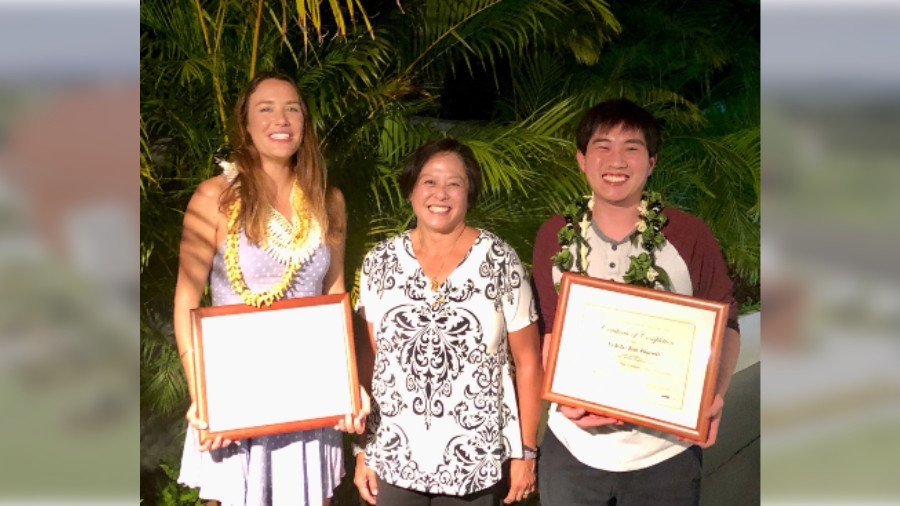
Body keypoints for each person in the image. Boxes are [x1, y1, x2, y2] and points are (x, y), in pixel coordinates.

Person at [531, 99, 742, 505]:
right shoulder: (554, 237)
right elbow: (550, 330)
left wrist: (714, 393)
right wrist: (563, 397)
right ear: (581, 158)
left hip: (665, 455)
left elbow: (726, 323)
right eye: (602, 145)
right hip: (573, 451)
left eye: (632, 147)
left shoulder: (689, 235)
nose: (616, 160)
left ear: (652, 161)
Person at [172, 71, 365, 505]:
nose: (281, 119)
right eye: (266, 108)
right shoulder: (215, 197)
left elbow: (334, 295)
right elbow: (186, 300)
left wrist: (348, 382)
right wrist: (201, 393)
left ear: (305, 123)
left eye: (292, 108)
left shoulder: (326, 200)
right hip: (234, 390)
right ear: (245, 124)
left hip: (308, 390)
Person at [352, 138, 544, 505]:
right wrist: (362, 449)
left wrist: (526, 452)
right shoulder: (380, 262)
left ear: (469, 194)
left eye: (454, 183)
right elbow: (371, 364)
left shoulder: (501, 261)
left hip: (475, 457)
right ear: (410, 190)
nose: (441, 193)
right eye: (429, 181)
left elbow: (529, 362)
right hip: (393, 456)